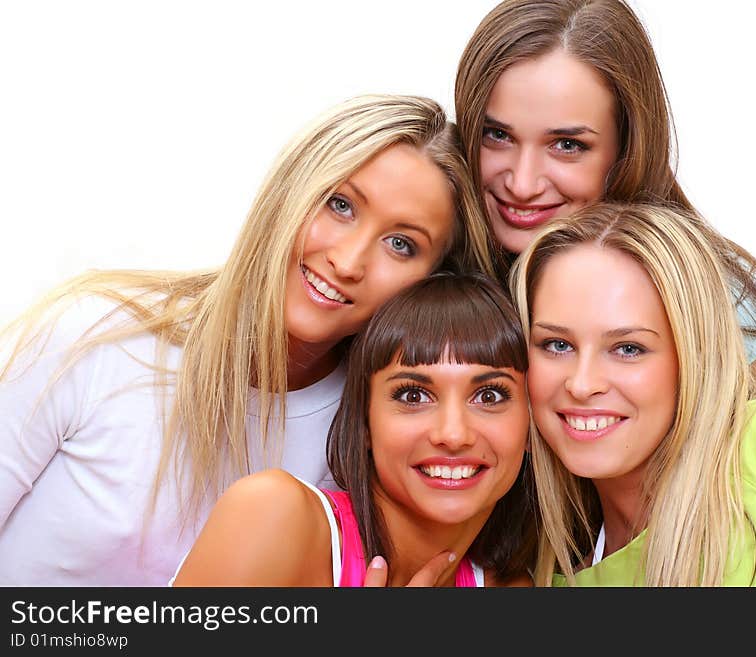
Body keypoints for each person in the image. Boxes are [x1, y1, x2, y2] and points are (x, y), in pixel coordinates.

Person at [0, 94, 495, 586]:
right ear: (289, 192)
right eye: (339, 205)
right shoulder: (94, 335)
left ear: (433, 283)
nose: (347, 262)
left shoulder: (376, 439)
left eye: (401, 244)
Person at [510, 202, 756, 586]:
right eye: (556, 345)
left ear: (694, 357)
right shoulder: (552, 583)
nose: (582, 384)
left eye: (628, 348)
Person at [454, 0, 756, 389]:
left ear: (626, 149)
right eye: (498, 135)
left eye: (568, 145)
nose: (522, 184)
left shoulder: (726, 312)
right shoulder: (432, 267)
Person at [171, 272, 535, 587]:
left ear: (532, 425)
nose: (454, 434)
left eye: (489, 395)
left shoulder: (509, 586)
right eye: (413, 395)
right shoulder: (274, 515)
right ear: (363, 421)